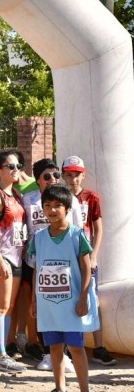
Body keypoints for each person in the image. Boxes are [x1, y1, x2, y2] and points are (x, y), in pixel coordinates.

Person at [30, 184, 102, 392]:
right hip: (49, 304)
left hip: (71, 303)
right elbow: (37, 269)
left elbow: (86, 268)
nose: (52, 210)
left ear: (68, 209)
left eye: (57, 206)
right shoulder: (39, 238)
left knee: (76, 347)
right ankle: (60, 389)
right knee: (54, 347)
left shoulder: (76, 235)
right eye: (47, 205)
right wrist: (34, 299)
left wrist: (83, 297)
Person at [61, 156, 116, 366]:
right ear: (63, 176)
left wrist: (93, 256)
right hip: (65, 257)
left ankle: (99, 347)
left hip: (85, 256)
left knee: (92, 298)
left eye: (77, 175)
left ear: (83, 175)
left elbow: (97, 228)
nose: (73, 179)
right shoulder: (61, 196)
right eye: (69, 175)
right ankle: (68, 348)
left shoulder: (91, 197)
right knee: (66, 298)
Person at [20, 159, 71, 367]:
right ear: (38, 179)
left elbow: (75, 227)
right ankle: (47, 352)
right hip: (35, 259)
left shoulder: (68, 199)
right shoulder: (27, 199)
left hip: (62, 259)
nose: (53, 179)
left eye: (56, 175)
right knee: (39, 306)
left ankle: (64, 353)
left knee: (62, 304)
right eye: (47, 176)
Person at [0, 150, 28, 373]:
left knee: (8, 307)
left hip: (17, 256)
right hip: (3, 257)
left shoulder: (16, 194)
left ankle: (3, 351)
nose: (16, 170)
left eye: (18, 166)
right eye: (11, 166)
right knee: (0, 306)